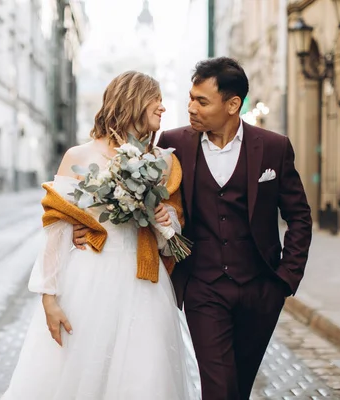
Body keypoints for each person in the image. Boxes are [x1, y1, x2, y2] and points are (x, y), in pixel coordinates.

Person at [73, 58, 313, 400]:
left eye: (201, 101)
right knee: (218, 386)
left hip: (261, 288)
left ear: (232, 105)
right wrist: (87, 229)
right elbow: (122, 188)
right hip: (203, 287)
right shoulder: (171, 145)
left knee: (239, 387)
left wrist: (286, 278)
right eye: (190, 98)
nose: (190, 107)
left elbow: (299, 216)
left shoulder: (273, 147)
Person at [1, 71, 201, 400]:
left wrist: (169, 222)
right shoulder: (79, 157)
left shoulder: (162, 162)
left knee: (144, 377)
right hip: (89, 279)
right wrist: (48, 296)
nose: (163, 108)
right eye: (156, 99)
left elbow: (171, 229)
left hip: (146, 285)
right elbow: (57, 228)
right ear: (133, 100)